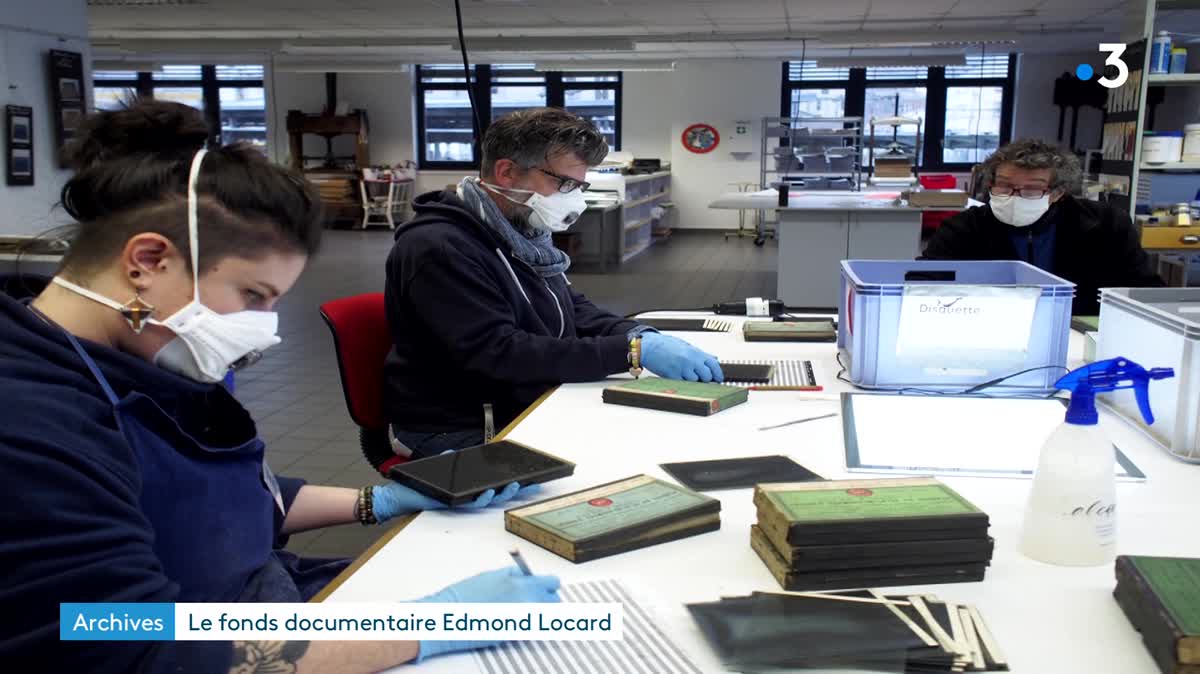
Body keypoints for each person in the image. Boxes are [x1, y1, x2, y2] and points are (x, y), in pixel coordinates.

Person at [0, 100, 558, 674]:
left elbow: (218, 498)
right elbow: (133, 646)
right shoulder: (28, 424)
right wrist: (432, 626)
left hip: (263, 598)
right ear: (146, 261)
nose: (261, 329)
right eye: (251, 296)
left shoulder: (144, 355)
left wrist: (382, 499)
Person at [384, 108, 723, 458]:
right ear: (506, 172)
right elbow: (498, 352)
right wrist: (630, 353)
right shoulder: (441, 248)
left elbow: (570, 306)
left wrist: (639, 335)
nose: (573, 197)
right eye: (563, 183)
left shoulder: (522, 232)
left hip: (523, 395)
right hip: (460, 426)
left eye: (579, 185)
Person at [921, 137, 1163, 315]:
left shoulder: (1107, 226)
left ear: (1058, 192)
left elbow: (1144, 292)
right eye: (1004, 185)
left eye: (1032, 189)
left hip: (1081, 334)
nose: (1015, 196)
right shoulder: (961, 229)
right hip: (991, 331)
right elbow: (922, 286)